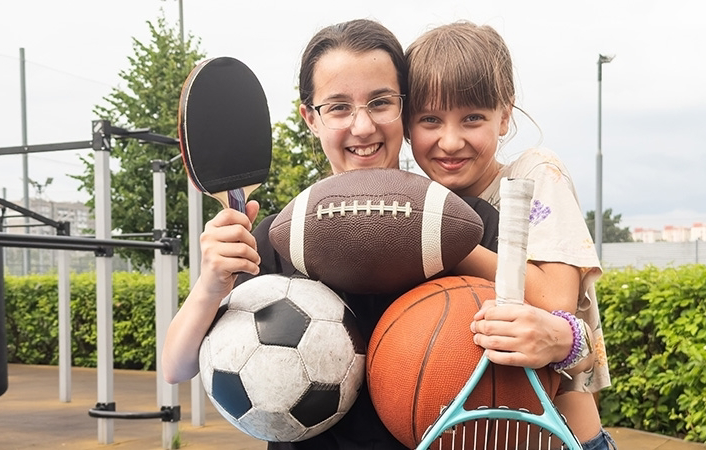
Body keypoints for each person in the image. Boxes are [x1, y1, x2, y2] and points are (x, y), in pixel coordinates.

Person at [162, 18, 412, 449]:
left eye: (380, 102)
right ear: (310, 119)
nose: (363, 126)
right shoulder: (274, 240)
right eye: (338, 107)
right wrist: (209, 285)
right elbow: (176, 367)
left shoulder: (453, 233)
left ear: (404, 108)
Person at [405, 21, 616, 449]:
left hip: (563, 437)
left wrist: (436, 236)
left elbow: (553, 300)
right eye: (430, 119)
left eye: (472, 118)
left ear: (504, 117)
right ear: (408, 125)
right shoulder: (410, 199)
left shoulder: (533, 175)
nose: (450, 140)